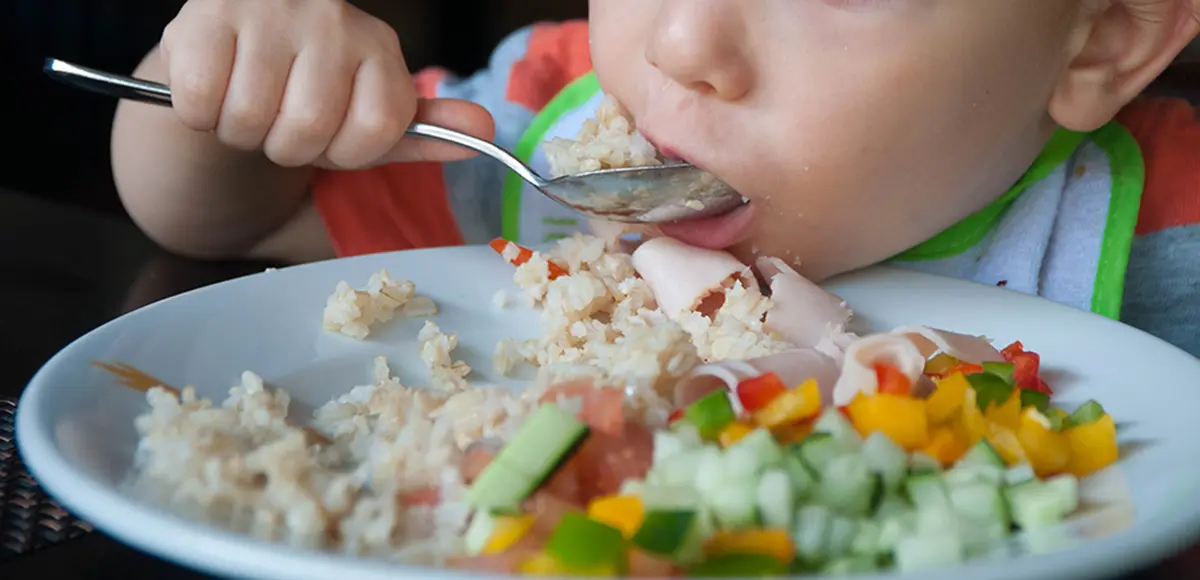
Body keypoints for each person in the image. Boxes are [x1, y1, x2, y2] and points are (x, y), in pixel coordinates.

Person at [111, 0, 1200, 357]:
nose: (680, 43)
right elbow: (238, 217)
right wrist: (233, 89)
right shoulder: (538, 127)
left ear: (1101, 38)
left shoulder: (1171, 233)